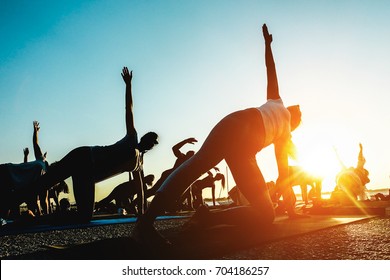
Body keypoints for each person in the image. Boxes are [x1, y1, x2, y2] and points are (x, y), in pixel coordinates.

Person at [132, 24, 302, 248]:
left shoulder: (277, 105)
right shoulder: (282, 121)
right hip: (238, 132)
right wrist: (289, 200)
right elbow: (283, 175)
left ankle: (206, 217)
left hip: (239, 138)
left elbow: (271, 68)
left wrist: (267, 45)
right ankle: (146, 224)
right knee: (197, 168)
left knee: (263, 213)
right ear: (294, 116)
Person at [11, 67, 158, 222]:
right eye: (149, 140)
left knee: (85, 216)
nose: (150, 145)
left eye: (152, 144)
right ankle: (8, 203)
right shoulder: (132, 138)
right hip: (84, 156)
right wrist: (128, 85)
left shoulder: (138, 164)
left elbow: (140, 188)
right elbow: (129, 110)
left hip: (88, 173)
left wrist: (143, 213)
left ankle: (29, 219)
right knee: (43, 183)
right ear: (144, 139)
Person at [0, 121, 49, 220]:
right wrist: (35, 131)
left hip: (11, 182)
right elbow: (35, 143)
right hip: (7, 171)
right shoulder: (42, 161)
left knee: (5, 204)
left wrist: (46, 217)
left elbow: (44, 200)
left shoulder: (45, 179)